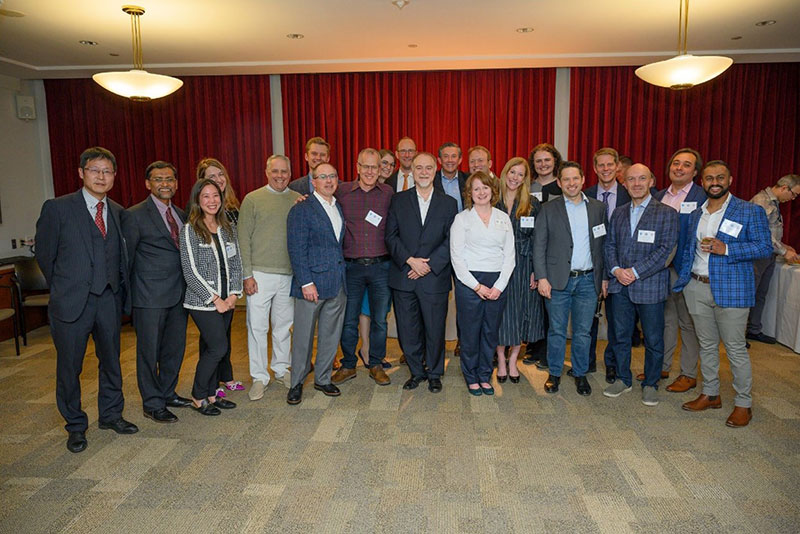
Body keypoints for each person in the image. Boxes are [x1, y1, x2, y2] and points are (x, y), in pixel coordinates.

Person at [35, 146, 137, 453]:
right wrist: (68, 286)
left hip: (108, 300)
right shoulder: (58, 208)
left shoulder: (119, 212)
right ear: (81, 173)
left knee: (111, 362)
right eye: (95, 170)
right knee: (70, 367)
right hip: (71, 302)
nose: (101, 177)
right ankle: (75, 425)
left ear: (114, 177)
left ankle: (110, 415)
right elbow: (45, 256)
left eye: (107, 172)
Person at [675, 160, 772, 427]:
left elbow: (765, 247)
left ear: (730, 180)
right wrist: (684, 280)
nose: (714, 182)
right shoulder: (696, 213)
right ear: (702, 182)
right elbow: (688, 249)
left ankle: (743, 403)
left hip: (732, 290)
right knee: (705, 345)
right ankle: (710, 393)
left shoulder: (749, 211)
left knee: (735, 349)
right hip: (696, 286)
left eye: (720, 177)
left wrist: (727, 249)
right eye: (709, 178)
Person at [603, 164, 678, 406]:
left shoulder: (666, 213)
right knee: (620, 336)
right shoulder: (619, 212)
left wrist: (634, 272)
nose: (636, 183)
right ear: (624, 183)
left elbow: (666, 250)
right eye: (631, 179)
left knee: (654, 339)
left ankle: (651, 383)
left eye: (641, 179)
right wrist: (616, 270)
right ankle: (623, 379)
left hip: (649, 285)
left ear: (651, 181)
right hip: (620, 286)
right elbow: (610, 245)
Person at [122, 160, 190, 424]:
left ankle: (168, 392)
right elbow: (126, 260)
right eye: (159, 179)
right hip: (148, 297)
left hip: (179, 294)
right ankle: (152, 403)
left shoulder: (181, 214)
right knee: (148, 352)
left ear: (176, 183)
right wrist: (128, 299)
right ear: (148, 184)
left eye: (170, 179)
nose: (165, 184)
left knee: (174, 348)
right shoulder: (134, 214)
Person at [533, 161, 608, 396]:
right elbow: (539, 246)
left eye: (575, 178)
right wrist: (542, 277)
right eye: (566, 179)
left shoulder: (598, 208)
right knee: (556, 330)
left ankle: (580, 373)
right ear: (559, 183)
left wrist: (603, 278)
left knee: (583, 331)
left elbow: (603, 245)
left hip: (588, 280)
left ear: (583, 179)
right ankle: (554, 373)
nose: (571, 183)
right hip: (557, 281)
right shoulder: (549, 209)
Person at [386, 152, 458, 392]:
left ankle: (435, 372)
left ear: (435, 170)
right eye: (419, 168)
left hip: (434, 277)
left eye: (428, 168)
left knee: (435, 328)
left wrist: (427, 265)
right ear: (412, 171)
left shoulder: (448, 203)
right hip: (404, 275)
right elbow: (390, 236)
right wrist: (410, 261)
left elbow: (451, 240)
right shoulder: (398, 200)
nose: (424, 172)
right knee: (408, 329)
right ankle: (417, 372)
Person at [238, 155, 301, 401]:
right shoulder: (252, 199)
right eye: (275, 171)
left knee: (284, 327)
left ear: (290, 173)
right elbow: (243, 239)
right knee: (257, 327)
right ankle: (259, 377)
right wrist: (247, 275)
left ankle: (281, 368)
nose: (280, 175)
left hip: (288, 274)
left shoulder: (297, 199)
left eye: (284, 171)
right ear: (266, 171)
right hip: (259, 276)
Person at [331, 148, 394, 386]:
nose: (369, 171)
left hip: (381, 267)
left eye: (374, 167)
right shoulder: (342, 191)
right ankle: (348, 365)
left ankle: (375, 364)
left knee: (380, 319)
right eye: (365, 166)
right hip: (351, 268)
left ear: (381, 170)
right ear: (357, 167)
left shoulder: (388, 193)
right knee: (348, 320)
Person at [286, 163, 348, 405]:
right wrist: (306, 282)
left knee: (330, 335)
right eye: (323, 177)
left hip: (337, 283)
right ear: (313, 181)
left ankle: (323, 379)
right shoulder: (302, 209)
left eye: (333, 176)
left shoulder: (337, 206)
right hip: (311, 285)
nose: (329, 181)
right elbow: (296, 248)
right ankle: (296, 383)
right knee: (303, 336)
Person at [180, 179, 243, 415]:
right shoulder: (190, 229)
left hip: (228, 301)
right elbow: (190, 271)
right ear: (198, 200)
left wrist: (234, 295)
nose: (212, 201)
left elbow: (236, 263)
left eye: (215, 195)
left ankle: (211, 394)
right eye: (205, 196)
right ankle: (198, 395)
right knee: (218, 348)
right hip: (202, 302)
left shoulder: (228, 228)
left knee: (214, 348)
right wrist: (215, 298)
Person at [450, 171, 515, 396]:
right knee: (470, 332)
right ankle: (471, 376)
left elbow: (510, 256)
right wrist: (476, 286)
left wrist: (499, 285)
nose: (481, 192)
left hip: (497, 281)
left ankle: (485, 375)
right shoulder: (462, 219)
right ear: (470, 193)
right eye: (476, 188)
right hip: (470, 283)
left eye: (485, 187)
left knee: (489, 332)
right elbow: (456, 258)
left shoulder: (502, 217)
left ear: (492, 190)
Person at [653, 148, 706, 393]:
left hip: (687, 268)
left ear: (695, 172)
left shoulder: (702, 196)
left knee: (688, 323)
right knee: (666, 320)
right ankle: (661, 366)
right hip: (662, 268)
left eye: (686, 165)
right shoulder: (659, 196)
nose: (679, 168)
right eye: (676, 163)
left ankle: (687, 373)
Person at [494, 158, 545, 383]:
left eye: (520, 174)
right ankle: (500, 358)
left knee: (520, 315)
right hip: (496, 266)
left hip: (524, 267)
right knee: (500, 314)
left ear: (525, 179)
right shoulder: (492, 200)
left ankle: (513, 358)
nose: (515, 177)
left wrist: (536, 269)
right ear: (505, 173)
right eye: (512, 172)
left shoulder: (532, 204)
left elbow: (538, 240)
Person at [196, 158, 243, 396]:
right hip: (208, 289)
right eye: (212, 177)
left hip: (228, 287)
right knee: (211, 338)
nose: (218, 180)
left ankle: (225, 376)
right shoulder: (196, 216)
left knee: (224, 333)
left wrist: (234, 290)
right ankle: (210, 384)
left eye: (221, 175)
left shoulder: (232, 210)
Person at [584, 148, 631, 383]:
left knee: (616, 320)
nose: (605, 169)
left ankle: (611, 364)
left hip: (621, 269)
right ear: (594, 169)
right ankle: (587, 361)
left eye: (609, 165)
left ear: (617, 167)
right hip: (592, 266)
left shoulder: (630, 194)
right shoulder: (585, 194)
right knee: (588, 318)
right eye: (600, 165)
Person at [746, 174, 800, 343]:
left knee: (760, 294)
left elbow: (771, 232)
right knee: (749, 294)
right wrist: (784, 251)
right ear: (785, 188)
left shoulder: (774, 202)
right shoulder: (762, 201)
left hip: (769, 255)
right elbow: (761, 234)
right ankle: (738, 334)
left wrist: (784, 246)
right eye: (794, 194)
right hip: (757, 255)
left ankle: (754, 329)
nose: (793, 198)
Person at [434, 142, 469, 211]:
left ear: (460, 160)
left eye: (453, 156)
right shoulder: (432, 180)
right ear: (439, 160)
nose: (450, 160)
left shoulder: (468, 179)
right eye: (446, 156)